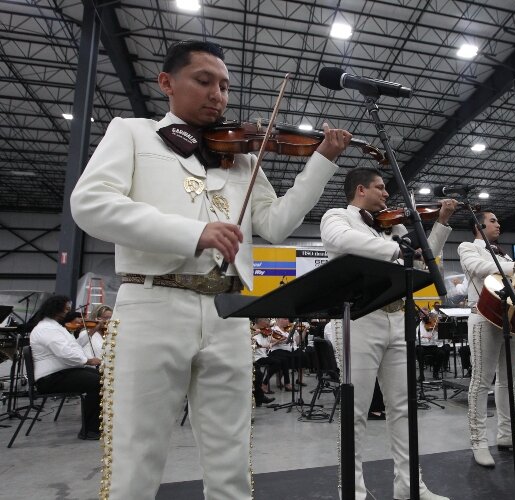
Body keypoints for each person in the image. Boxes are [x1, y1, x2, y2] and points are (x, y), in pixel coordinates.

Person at [70, 39, 352, 499]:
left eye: (224, 86)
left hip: (227, 312)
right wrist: (191, 233)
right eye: (204, 81)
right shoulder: (133, 132)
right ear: (167, 83)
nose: (218, 95)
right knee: (136, 455)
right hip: (152, 304)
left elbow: (275, 224)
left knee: (231, 455)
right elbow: (91, 204)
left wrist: (321, 163)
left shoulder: (242, 156)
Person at [320, 166, 456, 500]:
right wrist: (399, 248)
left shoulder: (393, 226)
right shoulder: (337, 216)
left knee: (403, 409)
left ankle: (411, 485)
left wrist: (439, 224)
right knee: (356, 413)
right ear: (360, 190)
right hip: (358, 320)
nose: (386, 194)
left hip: (397, 320)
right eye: (380, 188)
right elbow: (341, 241)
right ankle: (352, 492)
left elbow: (423, 263)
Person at [457, 210, 515, 469]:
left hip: (511, 319)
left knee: (508, 382)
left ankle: (508, 435)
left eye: (497, 220)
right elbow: (479, 268)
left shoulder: (503, 254)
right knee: (481, 381)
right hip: (482, 317)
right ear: (478, 225)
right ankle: (478, 441)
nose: (498, 224)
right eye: (492, 220)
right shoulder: (468, 247)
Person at [28, 295, 102, 440]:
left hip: (60, 373)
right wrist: (87, 360)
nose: (68, 313)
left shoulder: (54, 327)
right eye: (66, 309)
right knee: (98, 383)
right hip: (50, 379)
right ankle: (90, 430)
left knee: (102, 377)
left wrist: (91, 332)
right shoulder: (47, 329)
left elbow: (74, 346)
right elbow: (64, 353)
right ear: (56, 310)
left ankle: (96, 425)